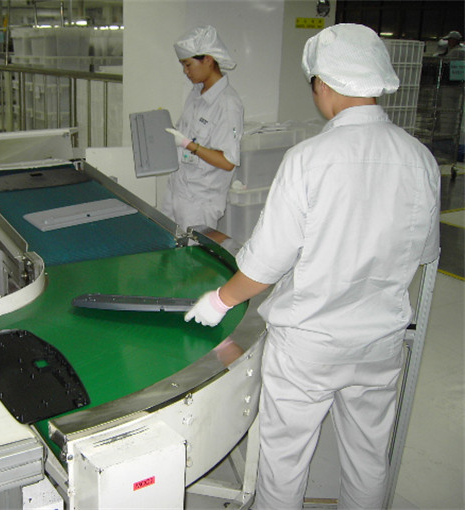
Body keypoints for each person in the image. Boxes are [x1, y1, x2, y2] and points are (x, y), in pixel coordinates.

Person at [185, 24, 440, 509]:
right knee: (368, 458)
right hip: (379, 343)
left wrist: (219, 300)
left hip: (309, 345)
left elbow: (266, 264)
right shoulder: (420, 159)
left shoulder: (310, 159)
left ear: (323, 83)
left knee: (285, 461)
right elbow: (424, 252)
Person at [161, 25, 244, 231]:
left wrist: (188, 144)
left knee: (192, 252)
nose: (185, 71)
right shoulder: (196, 93)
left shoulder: (227, 104)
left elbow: (227, 162)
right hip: (177, 189)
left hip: (199, 202)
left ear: (207, 59)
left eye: (188, 64)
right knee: (167, 244)